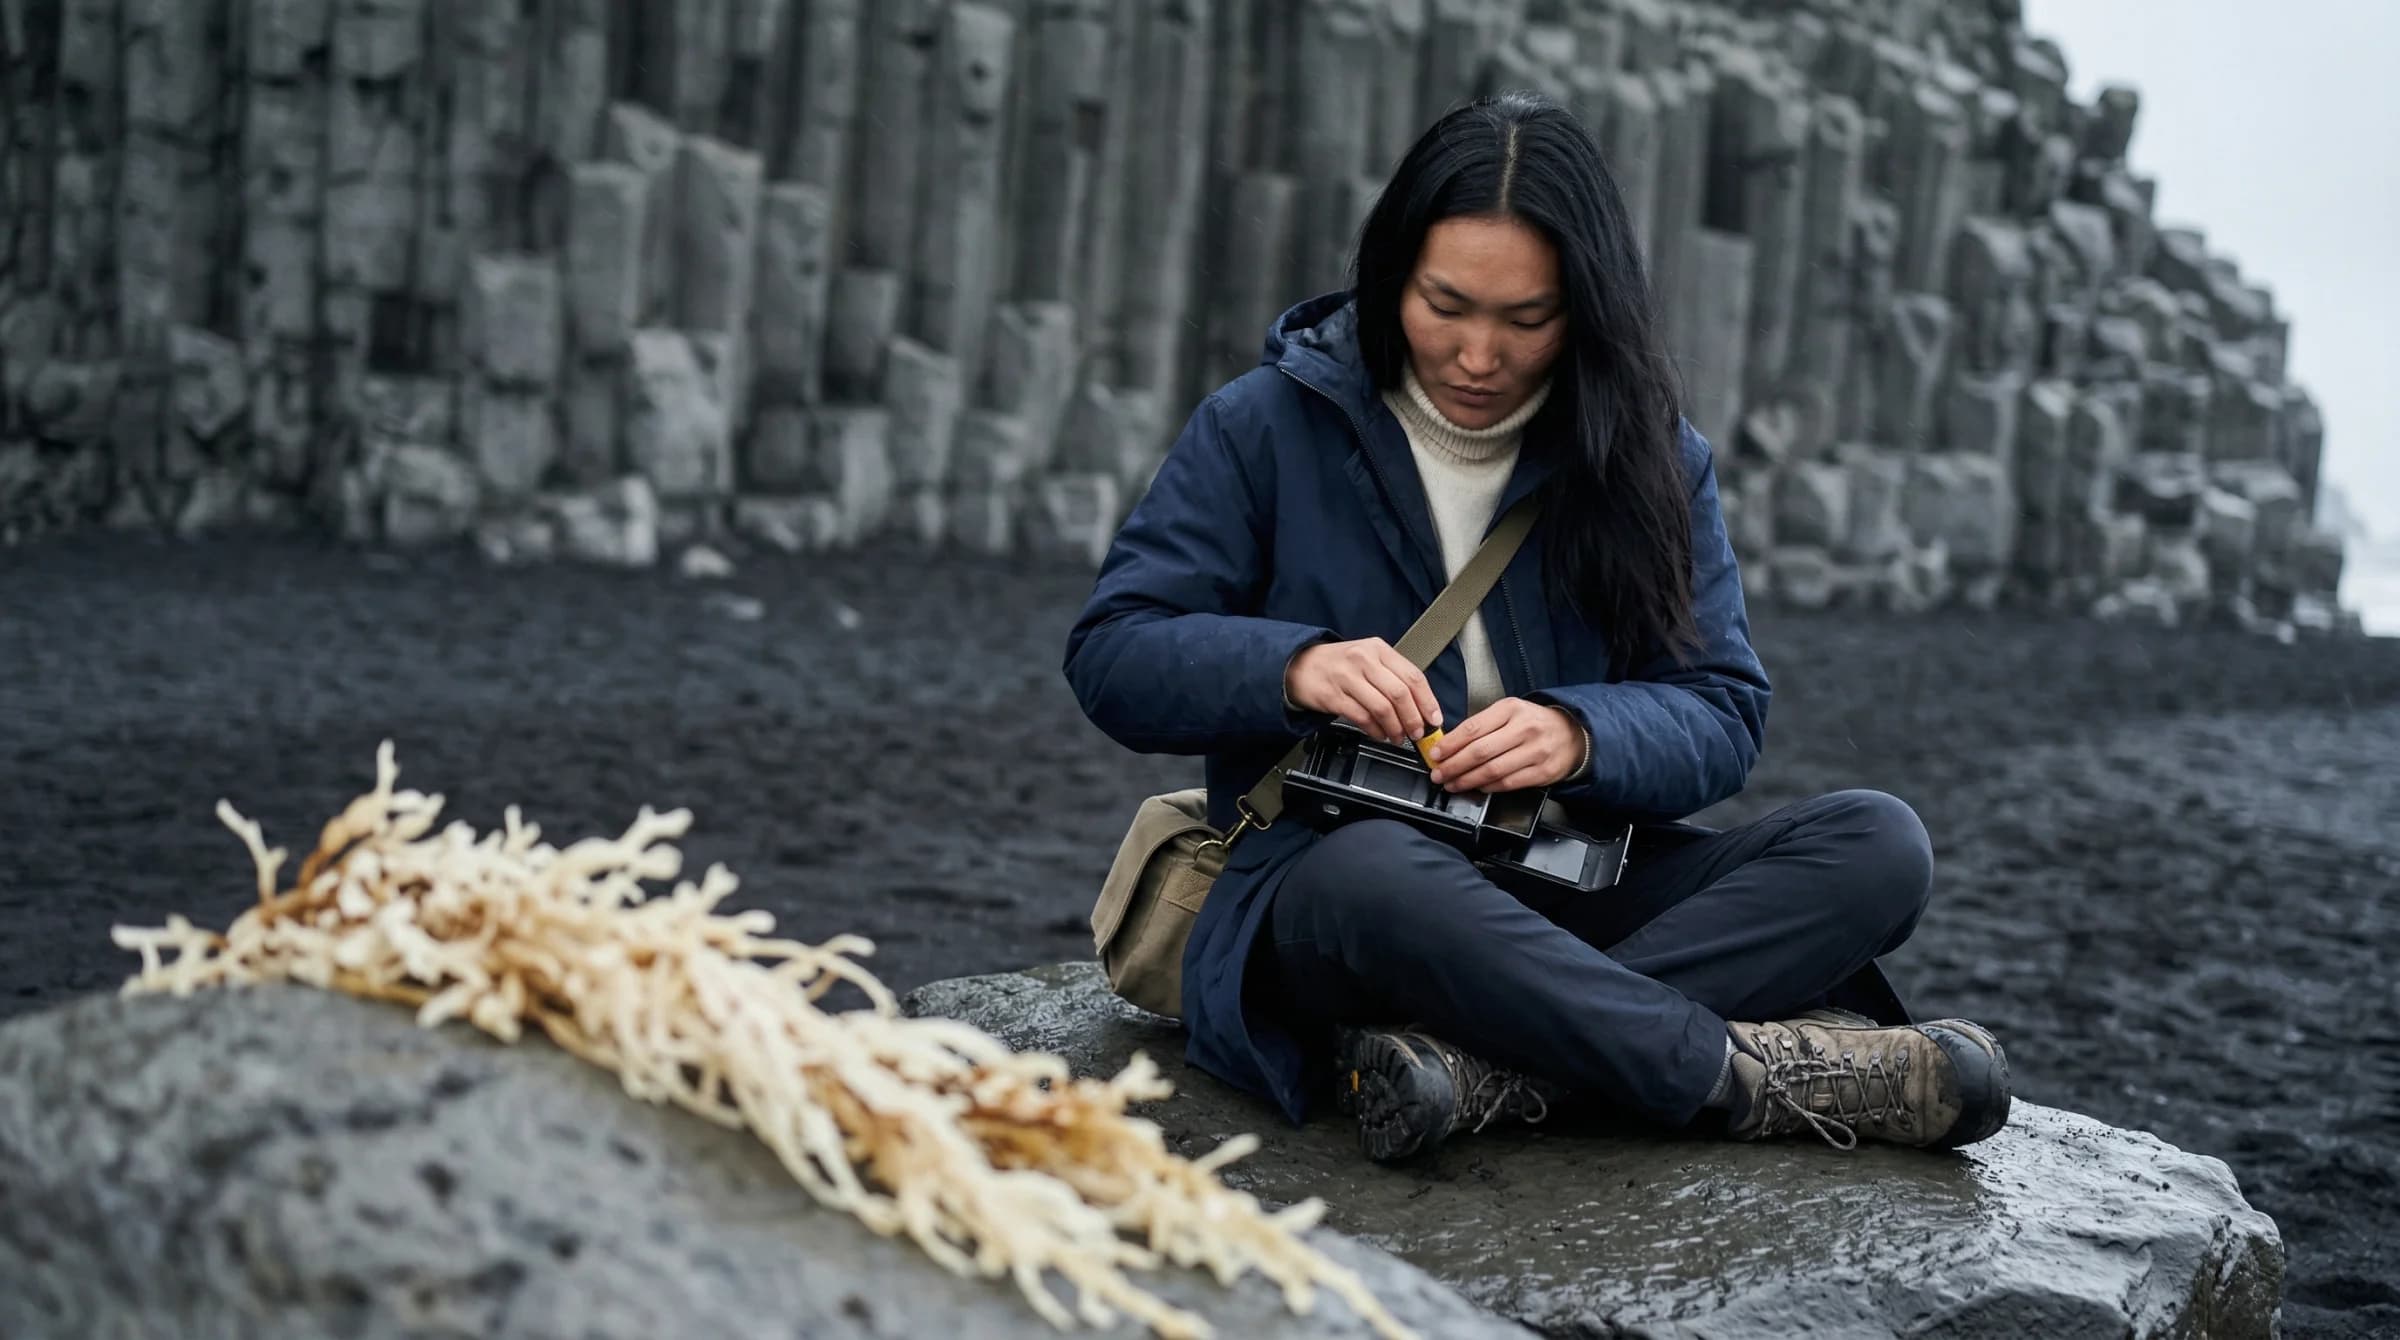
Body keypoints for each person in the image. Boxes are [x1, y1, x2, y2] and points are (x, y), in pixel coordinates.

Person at [1062, 90, 2012, 1163]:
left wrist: (1581, 733)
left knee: (1879, 843)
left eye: (1526, 320)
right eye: (1444, 305)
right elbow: (1114, 651)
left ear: (1587, 307)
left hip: (1569, 871)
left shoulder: (1654, 456)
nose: (1477, 354)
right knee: (1377, 872)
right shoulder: (1261, 425)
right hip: (1341, 892)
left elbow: (1723, 711)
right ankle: (1734, 1071)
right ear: (1390, 276)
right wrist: (1296, 665)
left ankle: (1503, 1068)